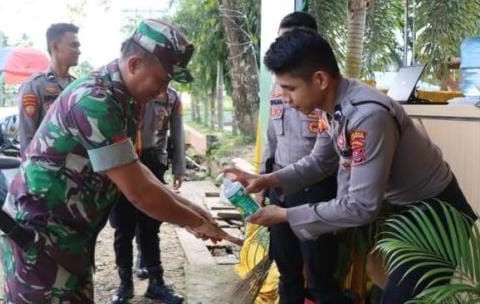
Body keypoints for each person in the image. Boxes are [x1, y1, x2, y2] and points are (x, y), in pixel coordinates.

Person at [224, 28, 476, 303]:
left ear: (320, 79)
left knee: (401, 298)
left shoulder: (367, 116)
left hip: (436, 216)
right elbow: (319, 161)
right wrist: (267, 180)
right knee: (381, 286)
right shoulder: (332, 109)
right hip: (402, 213)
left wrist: (285, 215)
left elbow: (361, 205)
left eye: (290, 89)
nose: (284, 98)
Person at [0, 19, 225, 303]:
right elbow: (140, 193)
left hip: (70, 237)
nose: (161, 92)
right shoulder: (96, 100)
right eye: (161, 80)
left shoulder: (124, 99)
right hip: (40, 238)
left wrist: (192, 211)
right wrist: (194, 221)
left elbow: (136, 168)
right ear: (134, 65)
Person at [258, 12, 351, 304]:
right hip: (282, 186)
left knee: (320, 275)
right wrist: (264, 180)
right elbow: (272, 136)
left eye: (292, 39)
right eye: (281, 39)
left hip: (316, 190)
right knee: (287, 272)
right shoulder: (279, 88)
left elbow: (331, 156)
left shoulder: (325, 91)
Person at [110, 87, 186, 304]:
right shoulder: (126, 90)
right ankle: (125, 285)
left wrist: (179, 167)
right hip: (123, 163)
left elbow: (177, 132)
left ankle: (156, 283)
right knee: (123, 227)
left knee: (150, 226)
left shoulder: (172, 97)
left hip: (154, 164)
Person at [17, 23, 81, 152]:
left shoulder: (78, 86)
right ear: (55, 46)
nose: (79, 51)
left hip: (76, 167)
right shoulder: (34, 86)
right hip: (45, 167)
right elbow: (27, 137)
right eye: (73, 45)